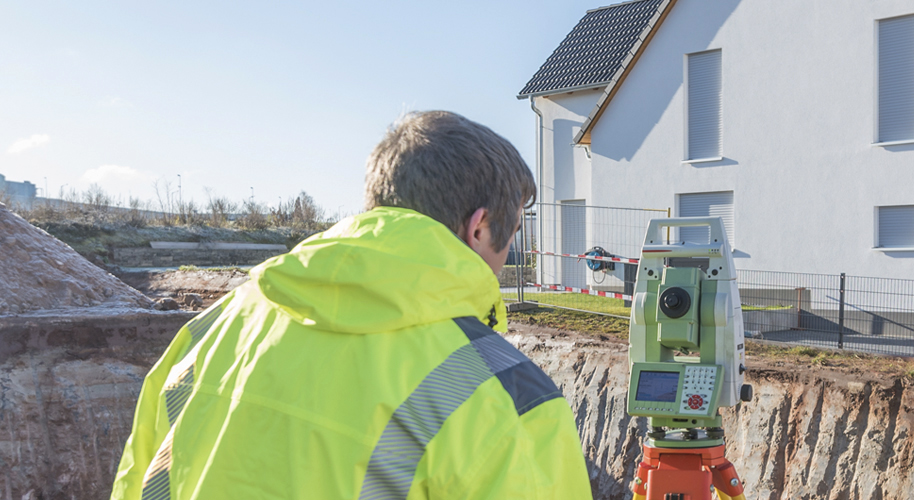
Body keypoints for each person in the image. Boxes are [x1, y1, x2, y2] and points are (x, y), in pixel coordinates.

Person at [109, 111, 591, 499]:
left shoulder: (216, 327)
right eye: (512, 235)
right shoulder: (507, 397)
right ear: (480, 227)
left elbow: (141, 479)